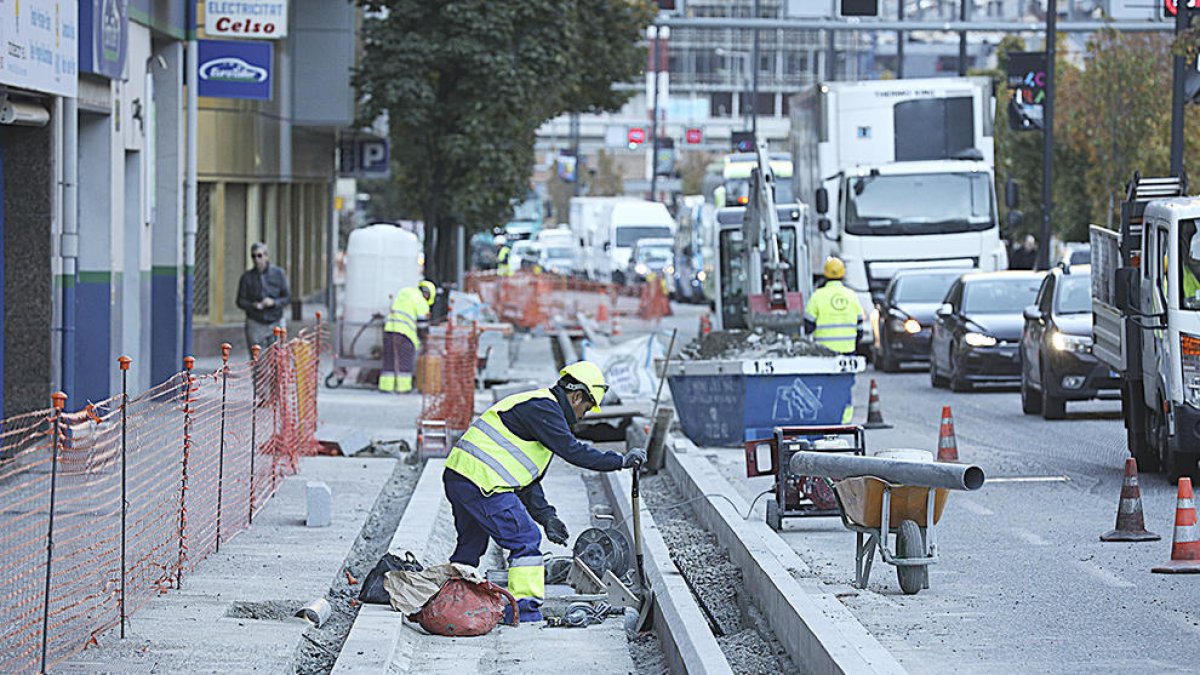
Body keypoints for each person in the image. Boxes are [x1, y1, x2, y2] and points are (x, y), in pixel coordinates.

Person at [442, 361, 645, 623]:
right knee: (525, 539)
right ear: (576, 396)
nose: (583, 415)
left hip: (461, 477)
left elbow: (525, 479)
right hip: (483, 483)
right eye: (586, 407)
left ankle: (450, 603)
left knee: (470, 547)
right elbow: (574, 451)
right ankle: (523, 611)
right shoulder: (545, 408)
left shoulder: (538, 407)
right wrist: (620, 461)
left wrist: (547, 516)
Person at [380, 280, 436, 393]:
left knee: (389, 360)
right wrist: (425, 338)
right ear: (428, 294)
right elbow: (422, 325)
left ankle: (386, 387)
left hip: (389, 331)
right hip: (405, 335)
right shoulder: (421, 302)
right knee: (404, 361)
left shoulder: (404, 293)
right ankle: (403, 388)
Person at [236, 243, 290, 356]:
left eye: (259, 255)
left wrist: (274, 302)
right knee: (257, 359)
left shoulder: (279, 274)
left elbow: (287, 297)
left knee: (278, 357)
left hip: (276, 320)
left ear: (266, 256)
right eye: (253, 256)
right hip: (256, 323)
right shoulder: (246, 277)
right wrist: (253, 305)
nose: (256, 259)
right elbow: (240, 301)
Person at [804, 257, 864, 355]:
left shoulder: (817, 296)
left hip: (823, 353)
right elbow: (860, 329)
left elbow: (808, 326)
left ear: (825, 274)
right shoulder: (852, 296)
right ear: (843, 274)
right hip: (848, 352)